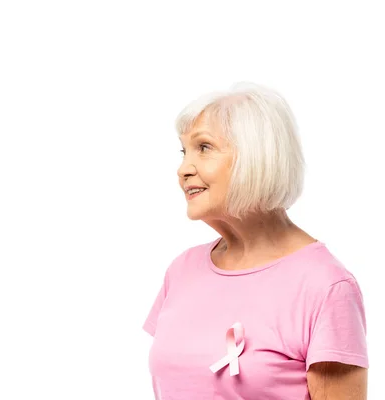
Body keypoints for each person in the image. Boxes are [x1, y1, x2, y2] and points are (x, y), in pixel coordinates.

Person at [142, 82, 368, 399]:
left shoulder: (325, 286)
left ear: (256, 155)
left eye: (203, 147)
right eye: (184, 151)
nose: (183, 169)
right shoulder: (182, 270)